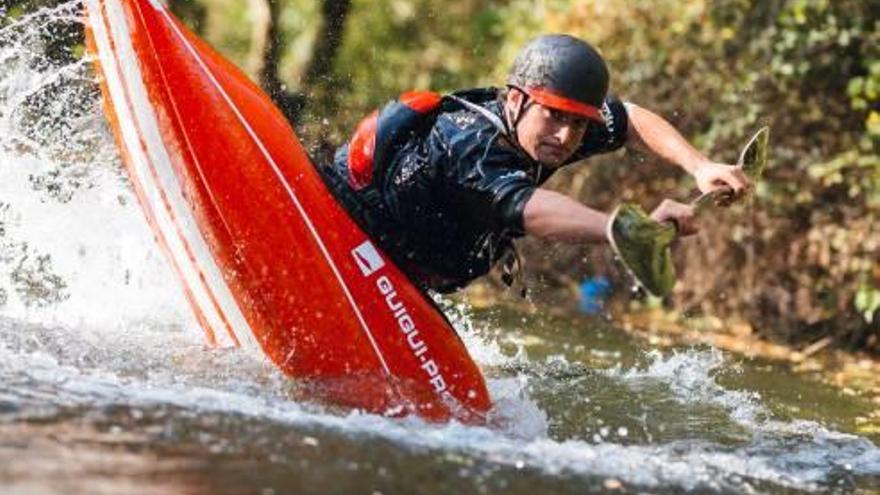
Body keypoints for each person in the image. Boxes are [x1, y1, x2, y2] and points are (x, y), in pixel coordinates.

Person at [319, 34, 751, 294]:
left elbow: (631, 117)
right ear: (514, 100)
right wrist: (618, 229)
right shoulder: (470, 145)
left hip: (410, 276)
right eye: (555, 117)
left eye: (579, 124)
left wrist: (698, 166)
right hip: (348, 233)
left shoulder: (552, 128)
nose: (565, 136)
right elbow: (532, 210)